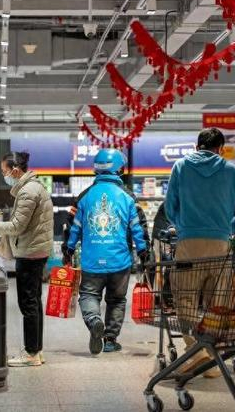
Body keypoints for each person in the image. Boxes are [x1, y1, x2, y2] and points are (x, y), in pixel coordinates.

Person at [166, 128, 235, 377]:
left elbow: (170, 207)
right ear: (221, 149)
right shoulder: (232, 171)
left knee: (185, 298)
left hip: (188, 246)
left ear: (197, 147)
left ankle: (196, 351)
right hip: (220, 246)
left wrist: (183, 226)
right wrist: (230, 226)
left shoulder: (180, 167)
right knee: (218, 302)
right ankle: (212, 354)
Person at [62, 148, 151, 355]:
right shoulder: (128, 197)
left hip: (92, 260)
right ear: (120, 169)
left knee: (88, 294)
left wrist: (68, 249)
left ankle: (94, 320)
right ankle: (110, 340)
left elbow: (73, 227)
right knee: (117, 300)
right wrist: (144, 252)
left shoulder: (84, 197)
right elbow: (138, 227)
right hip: (120, 260)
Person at [0, 151, 54, 367]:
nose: (4, 175)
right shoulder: (34, 187)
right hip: (36, 250)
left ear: (16, 170)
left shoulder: (28, 191)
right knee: (34, 302)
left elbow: (18, 226)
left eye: (5, 171)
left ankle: (31, 354)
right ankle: (36, 350)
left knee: (28, 303)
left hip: (30, 253)